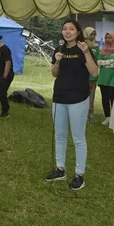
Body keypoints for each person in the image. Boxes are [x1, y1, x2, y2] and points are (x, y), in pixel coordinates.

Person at [46, 20, 99, 190]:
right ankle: (60, 169)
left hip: (78, 98)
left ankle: (79, 175)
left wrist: (86, 53)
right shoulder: (59, 49)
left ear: (78, 32)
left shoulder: (83, 49)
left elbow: (94, 72)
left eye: (71, 29)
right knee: (60, 136)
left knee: (78, 138)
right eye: (64, 29)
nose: (67, 32)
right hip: (59, 98)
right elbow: (54, 73)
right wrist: (57, 61)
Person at [96, 32, 114, 126]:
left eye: (110, 38)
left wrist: (105, 63)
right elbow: (98, 62)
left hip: (113, 78)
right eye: (106, 38)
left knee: (113, 98)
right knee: (104, 99)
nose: (107, 39)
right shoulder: (102, 50)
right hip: (103, 78)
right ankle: (107, 117)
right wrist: (111, 61)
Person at [82, 27, 100, 121]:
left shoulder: (96, 47)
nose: (93, 36)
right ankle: (82, 111)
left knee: (92, 92)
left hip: (92, 73)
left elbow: (97, 59)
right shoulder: (82, 45)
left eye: (94, 34)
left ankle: (90, 112)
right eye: (91, 34)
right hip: (83, 73)